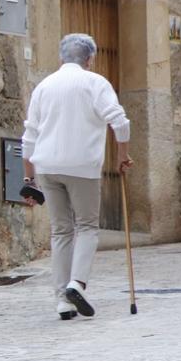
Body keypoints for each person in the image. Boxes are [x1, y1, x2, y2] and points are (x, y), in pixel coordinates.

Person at [21, 32, 132, 320]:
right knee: (86, 227)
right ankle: (77, 284)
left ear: (62, 57)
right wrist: (122, 156)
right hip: (82, 166)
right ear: (90, 59)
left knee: (61, 231)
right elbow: (119, 121)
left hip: (46, 166)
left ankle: (62, 300)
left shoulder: (44, 87)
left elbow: (29, 136)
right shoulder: (95, 83)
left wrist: (28, 180)